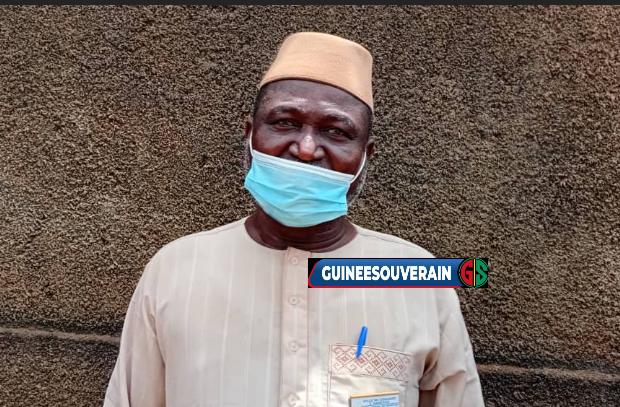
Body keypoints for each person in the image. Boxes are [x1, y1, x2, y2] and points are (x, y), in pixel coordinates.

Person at [104, 32, 484, 407]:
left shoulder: (419, 281)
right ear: (250, 136)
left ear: (365, 156)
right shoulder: (175, 271)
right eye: (285, 123)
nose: (305, 149)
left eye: (336, 131)